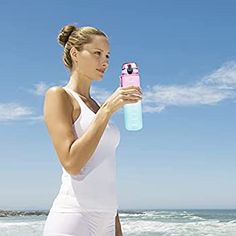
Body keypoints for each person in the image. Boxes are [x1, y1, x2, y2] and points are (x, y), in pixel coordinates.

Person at [42, 24, 142, 236]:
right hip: (74, 219)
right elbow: (72, 162)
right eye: (97, 53)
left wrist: (115, 226)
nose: (105, 61)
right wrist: (107, 110)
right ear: (75, 53)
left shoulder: (96, 106)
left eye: (107, 55)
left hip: (107, 219)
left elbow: (106, 171)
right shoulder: (59, 96)